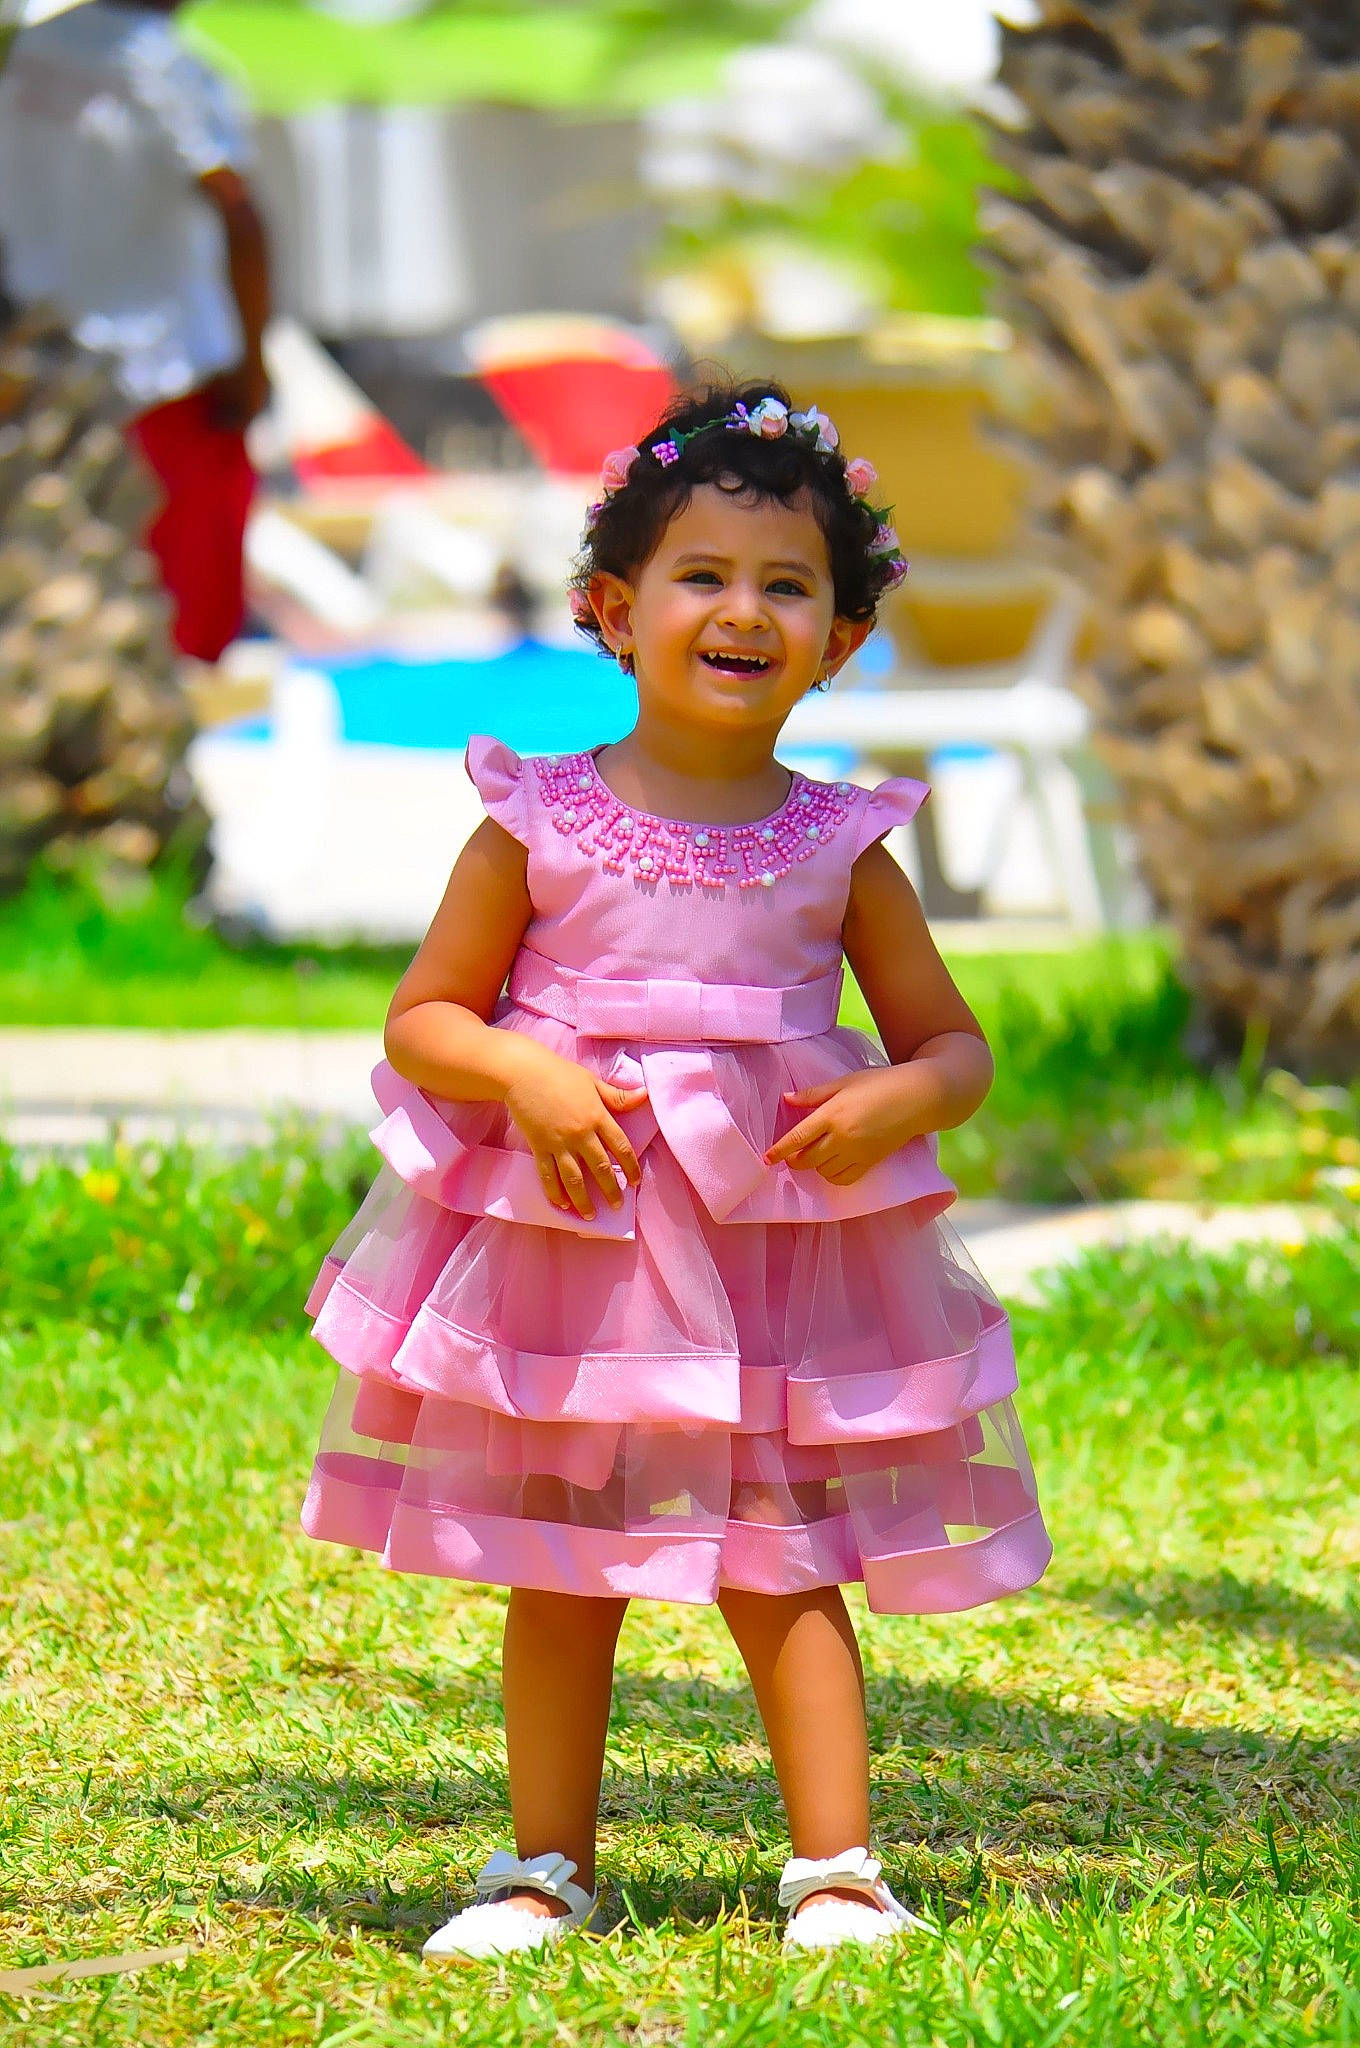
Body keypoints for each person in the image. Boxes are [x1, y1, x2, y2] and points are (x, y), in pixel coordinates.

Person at [298, 380, 1053, 1960]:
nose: (745, 611)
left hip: (776, 1250)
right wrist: (525, 1067)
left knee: (784, 1554)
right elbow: (427, 1015)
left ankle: (836, 1869)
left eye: (790, 588)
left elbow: (955, 1046)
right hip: (581, 1244)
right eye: (704, 577)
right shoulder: (539, 817)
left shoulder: (840, 843)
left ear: (843, 641)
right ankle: (541, 1867)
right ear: (612, 609)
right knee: (563, 1564)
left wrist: (895, 1098)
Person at [0, 0, 270, 662]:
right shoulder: (166, 64)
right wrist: (252, 362)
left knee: (57, 627)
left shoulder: (23, 56)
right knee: (180, 641)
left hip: (43, 375)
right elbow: (236, 209)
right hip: (167, 376)